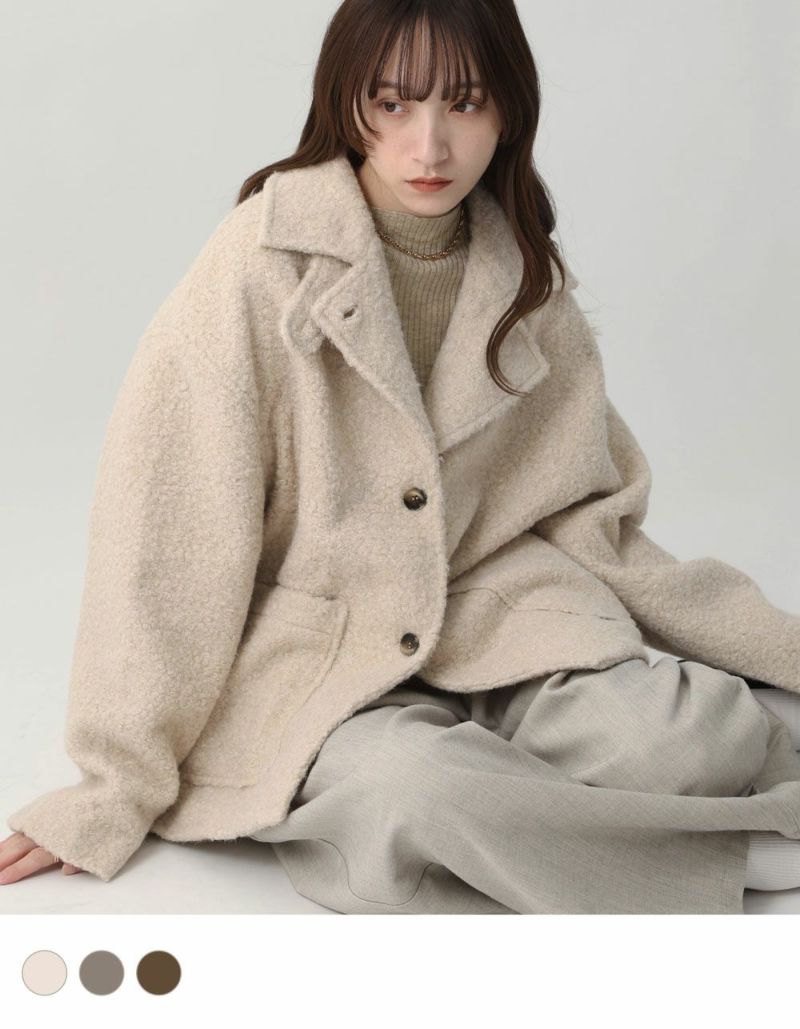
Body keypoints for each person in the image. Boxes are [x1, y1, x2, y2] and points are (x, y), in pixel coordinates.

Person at [3, 0, 800, 912]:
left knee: (695, 741)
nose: (429, 147)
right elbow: (168, 533)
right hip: (315, 646)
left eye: (464, 103)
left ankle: (592, 824)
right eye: (393, 104)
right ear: (346, 103)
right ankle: (727, 857)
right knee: (421, 790)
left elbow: (592, 513)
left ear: (508, 111)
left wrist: (775, 645)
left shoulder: (523, 275)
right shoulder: (260, 261)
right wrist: (113, 784)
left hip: (498, 616)